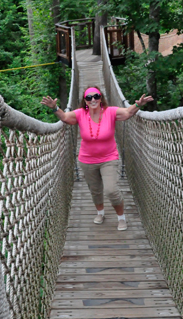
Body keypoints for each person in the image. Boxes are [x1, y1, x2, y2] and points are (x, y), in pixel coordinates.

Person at [41, 86, 153, 231]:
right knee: (95, 190)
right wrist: (55, 107)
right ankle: (100, 213)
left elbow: (126, 113)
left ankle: (121, 217)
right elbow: (65, 118)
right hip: (87, 160)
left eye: (96, 96)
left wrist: (138, 105)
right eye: (89, 97)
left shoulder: (110, 112)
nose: (93, 99)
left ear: (101, 98)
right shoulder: (80, 114)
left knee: (111, 190)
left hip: (109, 158)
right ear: (85, 101)